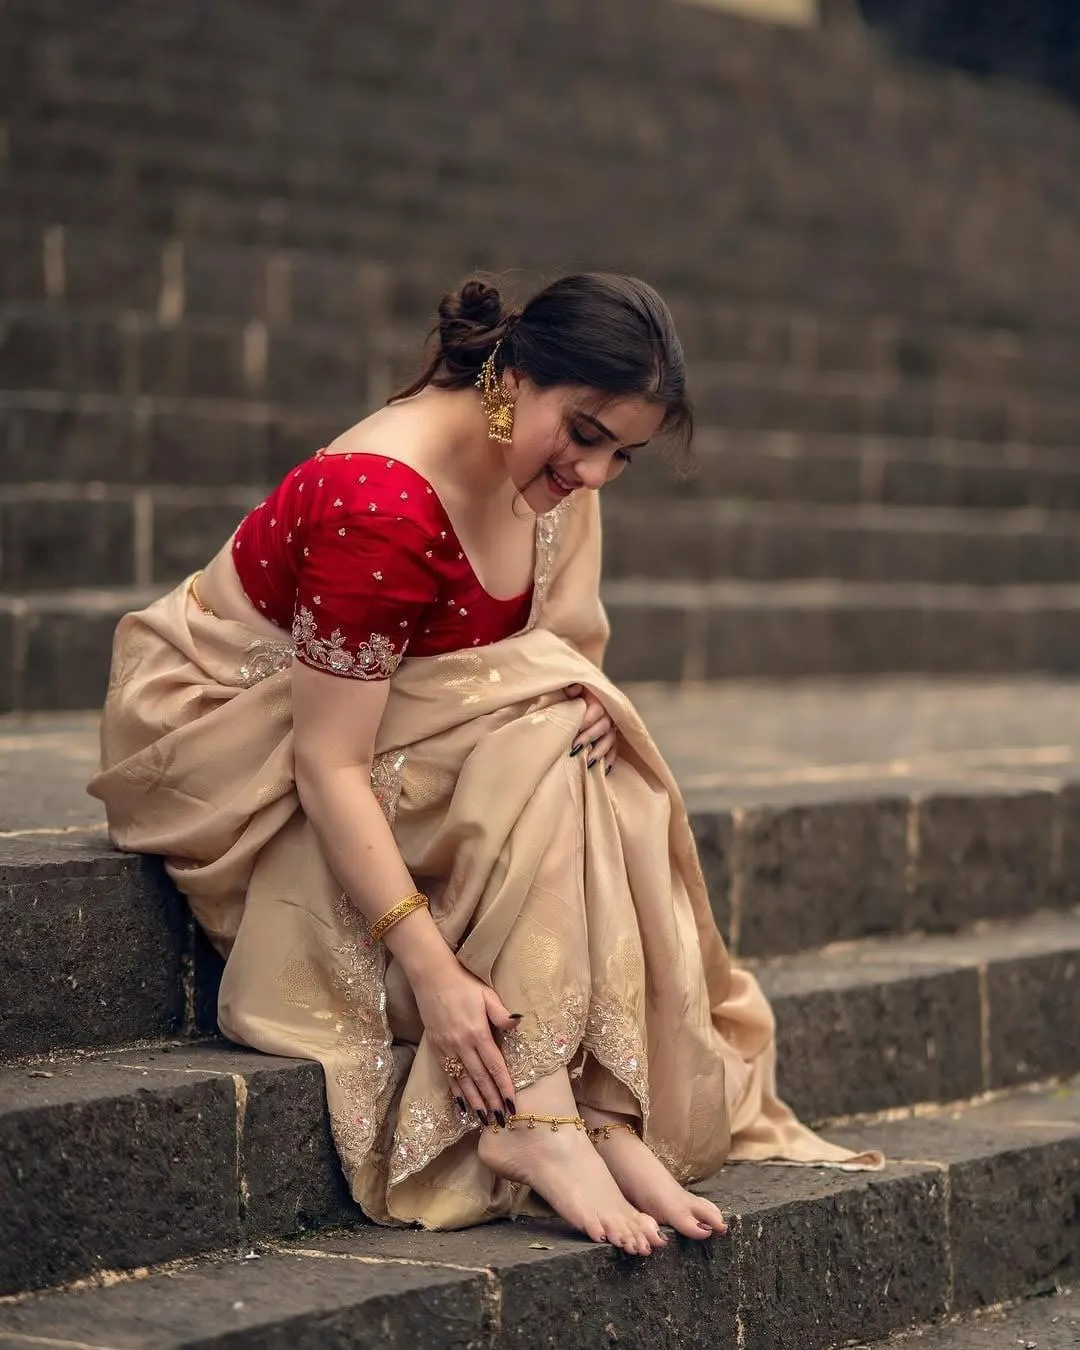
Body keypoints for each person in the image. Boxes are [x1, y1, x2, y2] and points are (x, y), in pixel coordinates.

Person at [89, 273, 880, 1258]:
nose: (594, 473)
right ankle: (540, 1117)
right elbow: (327, 765)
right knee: (546, 743)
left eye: (622, 454)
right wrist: (433, 969)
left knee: (589, 753)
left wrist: (583, 702)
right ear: (510, 377)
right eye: (586, 434)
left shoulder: (548, 478)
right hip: (235, 739)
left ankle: (590, 1115)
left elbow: (546, 663)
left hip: (404, 721)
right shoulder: (378, 504)